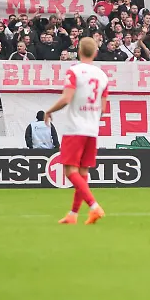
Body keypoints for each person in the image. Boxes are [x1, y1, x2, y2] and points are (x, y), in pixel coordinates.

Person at [43, 37, 108, 225]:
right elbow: (103, 108)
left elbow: (66, 98)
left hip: (75, 128)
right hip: (92, 128)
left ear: (79, 51)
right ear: (95, 52)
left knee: (70, 170)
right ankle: (73, 214)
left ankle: (94, 206)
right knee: (83, 171)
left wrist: (49, 111)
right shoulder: (102, 76)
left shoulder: (74, 72)